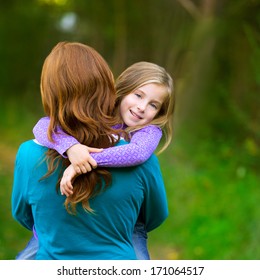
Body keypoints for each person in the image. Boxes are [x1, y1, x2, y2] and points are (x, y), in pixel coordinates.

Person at [12, 41, 169, 260]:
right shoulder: (74, 131)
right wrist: (71, 147)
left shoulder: (147, 135)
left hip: (123, 234)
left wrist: (86, 160)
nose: (142, 108)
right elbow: (42, 126)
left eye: (154, 105)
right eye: (138, 95)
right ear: (118, 91)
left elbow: (138, 153)